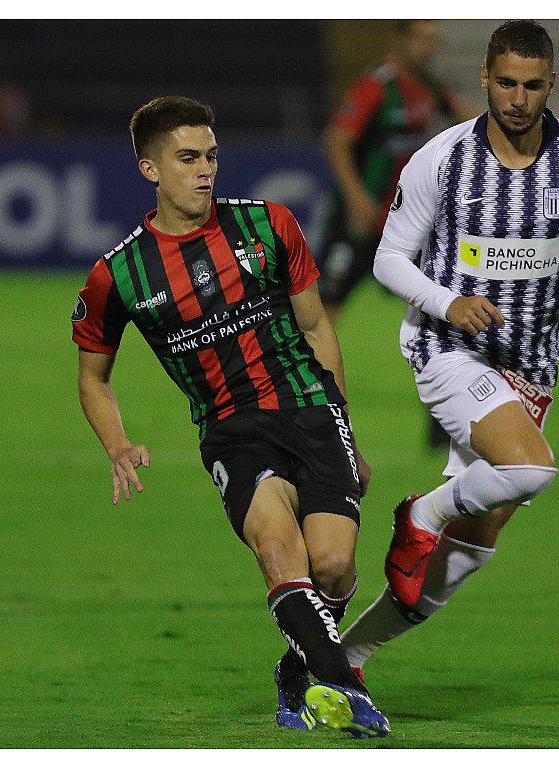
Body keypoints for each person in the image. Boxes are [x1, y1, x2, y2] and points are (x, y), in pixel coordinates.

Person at [71, 96, 389, 737]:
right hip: (231, 430)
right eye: (187, 158)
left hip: (310, 409)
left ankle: (296, 669)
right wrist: (118, 443)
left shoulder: (268, 225)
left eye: (211, 156)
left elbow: (315, 323)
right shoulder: (119, 274)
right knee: (279, 547)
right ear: (149, 168)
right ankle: (348, 692)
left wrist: (345, 424)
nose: (205, 170)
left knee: (332, 568)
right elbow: (93, 378)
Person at [339, 20, 559, 675]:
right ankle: (420, 512)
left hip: (532, 366)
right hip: (448, 348)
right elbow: (390, 260)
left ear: (551, 84)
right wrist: (449, 303)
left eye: (533, 85)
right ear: (484, 78)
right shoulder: (441, 158)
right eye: (506, 82)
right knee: (531, 468)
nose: (518, 98)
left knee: (470, 550)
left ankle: (343, 655)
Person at [322, 20, 473, 449]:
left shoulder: (428, 86)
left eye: (434, 41)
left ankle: (444, 420)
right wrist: (354, 197)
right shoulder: (376, 87)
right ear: (400, 40)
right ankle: (306, 412)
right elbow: (337, 138)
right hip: (360, 224)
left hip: (407, 226)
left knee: (440, 314)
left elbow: (466, 116)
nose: (429, 48)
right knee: (321, 316)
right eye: (422, 39)